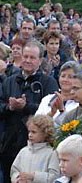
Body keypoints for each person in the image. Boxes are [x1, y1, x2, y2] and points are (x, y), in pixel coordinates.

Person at [0, 40, 59, 183]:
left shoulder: (48, 82)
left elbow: (51, 112)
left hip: (39, 147)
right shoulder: (9, 81)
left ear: (39, 61)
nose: (27, 60)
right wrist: (10, 107)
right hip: (10, 143)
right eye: (25, 56)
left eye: (32, 57)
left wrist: (26, 107)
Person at [10, 115, 60, 183]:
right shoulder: (23, 151)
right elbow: (14, 171)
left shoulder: (52, 153)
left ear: (45, 133)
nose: (30, 135)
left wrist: (34, 176)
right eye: (29, 131)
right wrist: (18, 179)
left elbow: (54, 177)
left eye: (34, 132)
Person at [36, 61, 82, 127]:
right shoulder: (47, 99)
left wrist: (62, 111)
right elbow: (36, 124)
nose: (65, 80)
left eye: (70, 77)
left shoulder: (80, 104)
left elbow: (74, 128)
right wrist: (52, 113)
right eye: (63, 76)